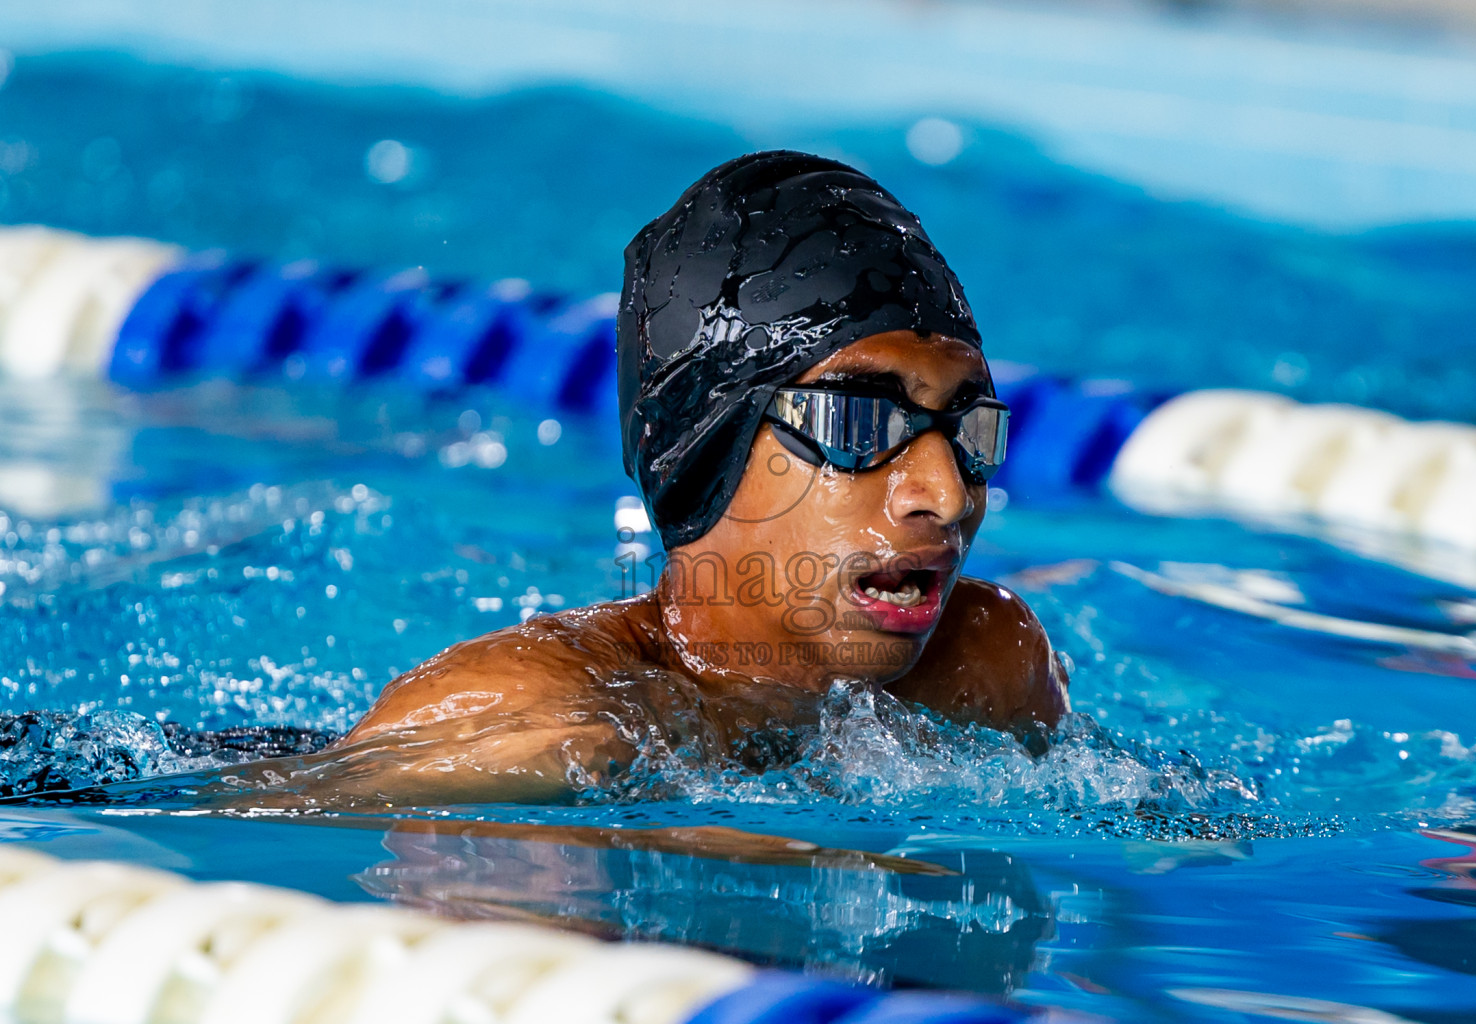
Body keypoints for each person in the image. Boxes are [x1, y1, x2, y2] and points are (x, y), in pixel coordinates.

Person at [216, 151, 1071, 808]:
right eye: (858, 425)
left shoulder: (985, 667)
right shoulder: (537, 723)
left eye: (965, 430)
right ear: (706, 446)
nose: (947, 495)